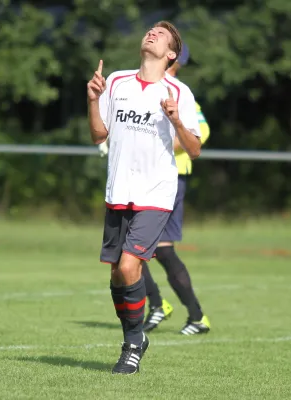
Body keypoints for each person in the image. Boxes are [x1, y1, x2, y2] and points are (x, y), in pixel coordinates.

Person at [87, 21, 201, 375]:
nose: (152, 33)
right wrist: (92, 100)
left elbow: (194, 149)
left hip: (156, 194)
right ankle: (135, 337)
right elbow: (97, 134)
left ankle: (132, 346)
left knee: (128, 265)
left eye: (161, 34)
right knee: (118, 278)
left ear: (171, 54)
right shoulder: (117, 81)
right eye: (150, 30)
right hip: (118, 191)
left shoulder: (179, 92)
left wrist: (177, 121)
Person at [140, 43, 211, 335]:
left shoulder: (179, 91)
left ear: (174, 59)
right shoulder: (141, 86)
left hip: (171, 178)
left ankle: (191, 314)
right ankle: (163, 306)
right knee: (130, 248)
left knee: (156, 249)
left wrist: (158, 146)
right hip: (142, 178)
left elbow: (199, 134)